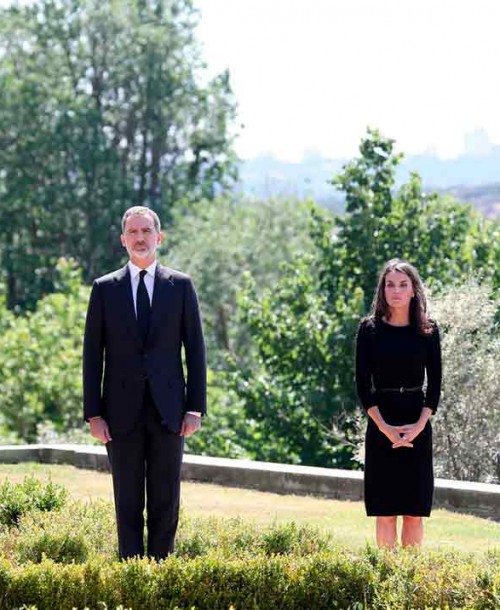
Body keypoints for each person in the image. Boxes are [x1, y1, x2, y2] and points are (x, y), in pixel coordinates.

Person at [83, 206, 206, 560]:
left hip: (170, 412)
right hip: (119, 415)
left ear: (159, 237)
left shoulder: (180, 286)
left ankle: (161, 572)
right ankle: (132, 574)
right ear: (123, 240)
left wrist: (194, 408)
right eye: (133, 233)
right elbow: (93, 356)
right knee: (127, 499)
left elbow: (196, 351)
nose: (140, 238)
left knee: (166, 500)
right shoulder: (104, 289)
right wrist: (94, 414)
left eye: (146, 231)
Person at [355, 258, 441, 548]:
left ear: (414, 290)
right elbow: (363, 387)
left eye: (403, 285)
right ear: (382, 290)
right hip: (381, 422)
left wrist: (418, 426)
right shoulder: (369, 330)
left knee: (414, 512)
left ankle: (410, 582)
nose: (396, 291)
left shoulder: (428, 330)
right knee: (386, 511)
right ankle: (386, 579)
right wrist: (385, 429)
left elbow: (436, 385)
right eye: (390, 284)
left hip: (418, 421)